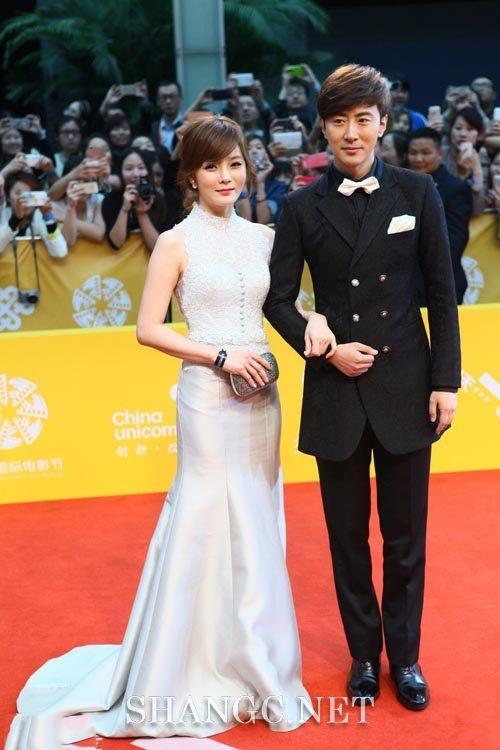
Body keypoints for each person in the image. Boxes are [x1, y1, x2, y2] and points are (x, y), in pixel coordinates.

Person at [4, 116, 326, 747]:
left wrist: (313, 322)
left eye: (234, 164)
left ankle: (256, 663)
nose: (225, 177)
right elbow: (148, 329)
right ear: (190, 176)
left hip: (262, 394)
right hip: (208, 394)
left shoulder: (266, 237)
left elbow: (281, 304)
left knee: (257, 519)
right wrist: (219, 357)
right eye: (211, 167)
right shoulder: (176, 242)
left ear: (247, 168)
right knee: (204, 519)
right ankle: (182, 668)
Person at [263, 63, 461, 712]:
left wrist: (446, 382)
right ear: (322, 128)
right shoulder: (300, 206)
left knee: (406, 541)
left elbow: (442, 294)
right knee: (347, 541)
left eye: (362, 120)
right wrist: (320, 341)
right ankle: (363, 656)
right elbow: (278, 299)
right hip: (336, 391)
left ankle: (405, 658)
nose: (351, 133)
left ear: (383, 123)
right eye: (339, 121)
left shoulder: (417, 192)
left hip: (406, 387)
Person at [408, 127, 473, 304]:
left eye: (425, 153)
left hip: (440, 285)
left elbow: (454, 242)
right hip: (402, 287)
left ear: (439, 154)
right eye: (413, 153)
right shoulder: (398, 185)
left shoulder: (455, 188)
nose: (418, 159)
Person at [101, 147, 167, 252]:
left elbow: (157, 248)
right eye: (129, 169)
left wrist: (141, 213)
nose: (136, 174)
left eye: (141, 168)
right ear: (120, 173)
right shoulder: (111, 199)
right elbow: (116, 243)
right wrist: (124, 209)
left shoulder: (157, 197)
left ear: (148, 170)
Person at [0, 171, 67, 257]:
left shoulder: (38, 216)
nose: (24, 198)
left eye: (30, 194)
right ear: (8, 197)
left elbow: (60, 252)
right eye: (18, 193)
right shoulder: (3, 213)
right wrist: (16, 219)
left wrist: (48, 216)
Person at [443, 106, 486, 214]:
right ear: (450, 131)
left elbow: (478, 210)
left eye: (470, 129)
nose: (463, 134)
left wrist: (477, 173)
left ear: (479, 135)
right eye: (458, 128)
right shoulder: (440, 156)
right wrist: (461, 174)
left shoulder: (484, 160)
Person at [151, 80, 184, 154]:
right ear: (158, 101)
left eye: (172, 96)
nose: (168, 101)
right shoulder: (153, 128)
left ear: (180, 98)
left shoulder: (188, 125)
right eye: (164, 97)